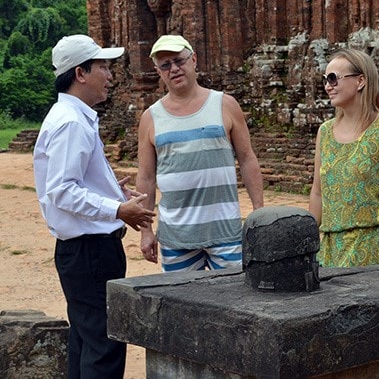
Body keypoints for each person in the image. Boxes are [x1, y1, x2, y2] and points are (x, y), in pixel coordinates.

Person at [33, 34, 156, 378]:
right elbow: (62, 191)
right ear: (80, 73)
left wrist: (111, 192)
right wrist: (119, 210)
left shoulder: (72, 118)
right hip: (90, 253)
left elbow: (70, 184)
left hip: (83, 252)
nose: (110, 75)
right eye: (103, 67)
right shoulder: (71, 123)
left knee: (87, 341)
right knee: (103, 346)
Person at [136, 34, 264, 272]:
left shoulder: (225, 105)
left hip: (225, 231)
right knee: (180, 304)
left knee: (234, 301)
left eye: (179, 61)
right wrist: (146, 231)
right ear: (159, 72)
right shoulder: (150, 118)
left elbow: (247, 159)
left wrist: (260, 214)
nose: (174, 69)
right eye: (165, 65)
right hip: (177, 235)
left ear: (193, 60)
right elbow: (146, 178)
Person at [308, 48, 379, 267]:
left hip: (373, 244)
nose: (328, 86)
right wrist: (307, 244)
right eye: (325, 79)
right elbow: (317, 192)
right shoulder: (325, 132)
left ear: (360, 81)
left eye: (334, 78)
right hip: (331, 248)